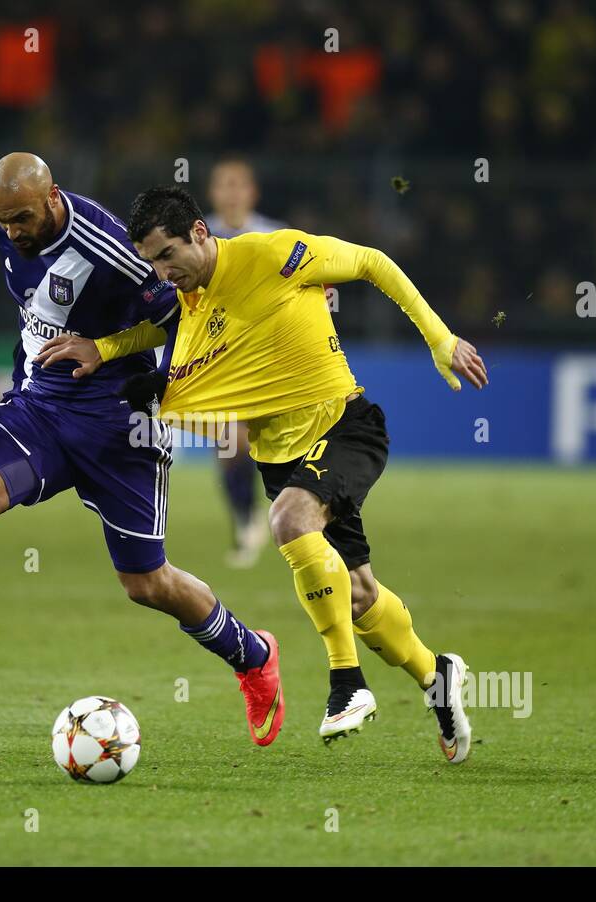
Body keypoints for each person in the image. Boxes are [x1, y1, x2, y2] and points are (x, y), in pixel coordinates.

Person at [37, 186, 488, 761]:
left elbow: (372, 263)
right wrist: (105, 346)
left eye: (168, 254)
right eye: (150, 260)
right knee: (358, 595)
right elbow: (160, 329)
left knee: (289, 520)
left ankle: (346, 684)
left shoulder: (275, 254)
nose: (161, 271)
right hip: (277, 455)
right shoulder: (190, 296)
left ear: (200, 232)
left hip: (343, 425)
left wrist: (440, 339)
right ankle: (436, 676)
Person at [0, 156, 285, 748]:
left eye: (23, 218)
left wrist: (105, 349)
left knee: (146, 582)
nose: (11, 231)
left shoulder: (111, 247)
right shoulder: (4, 225)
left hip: (117, 424)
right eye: (2, 220)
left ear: (53, 198)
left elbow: (180, 318)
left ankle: (253, 654)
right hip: (42, 406)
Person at [205, 157, 287, 568]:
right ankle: (245, 522)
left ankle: (296, 524)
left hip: (273, 360)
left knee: (284, 449)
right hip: (222, 364)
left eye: (239, 185)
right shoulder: (198, 239)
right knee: (230, 444)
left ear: (252, 192)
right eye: (224, 185)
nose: (232, 193)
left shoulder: (273, 236)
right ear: (213, 193)